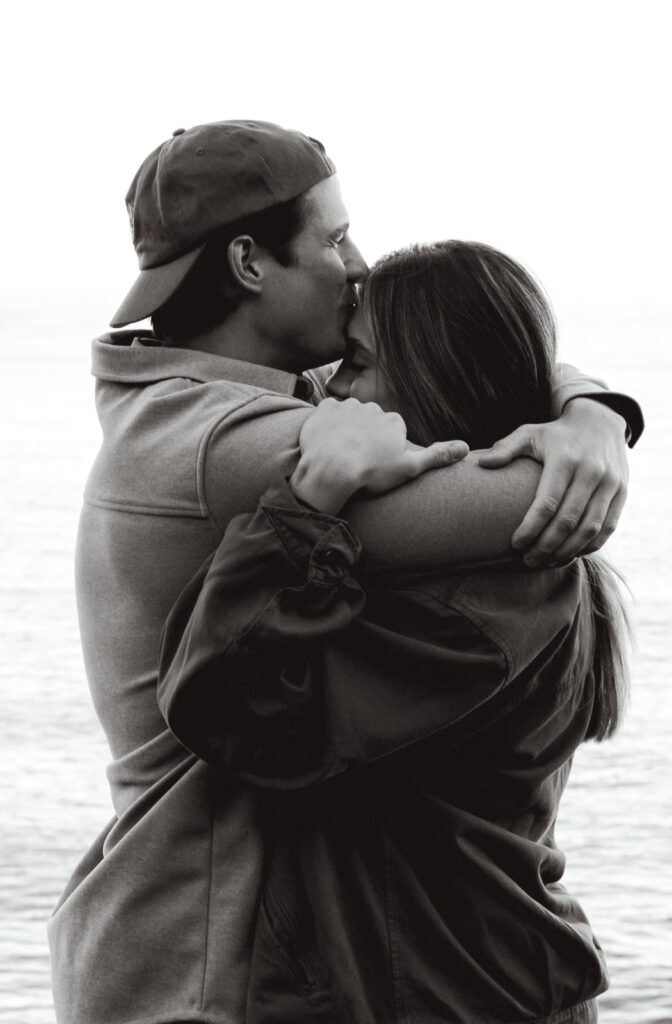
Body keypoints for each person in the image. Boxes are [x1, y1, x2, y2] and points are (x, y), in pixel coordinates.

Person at [48, 120, 642, 1024]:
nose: (356, 265)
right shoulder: (235, 443)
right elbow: (528, 487)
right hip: (198, 964)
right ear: (249, 263)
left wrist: (585, 407)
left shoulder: (209, 397)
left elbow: (468, 355)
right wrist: (585, 431)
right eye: (332, 239)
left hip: (306, 971)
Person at [157, 242, 634, 1023]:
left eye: (356, 363)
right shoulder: (485, 558)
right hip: (462, 979)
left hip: (439, 995)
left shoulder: (470, 608)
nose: (330, 395)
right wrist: (591, 406)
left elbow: (224, 709)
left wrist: (306, 501)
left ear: (438, 381)